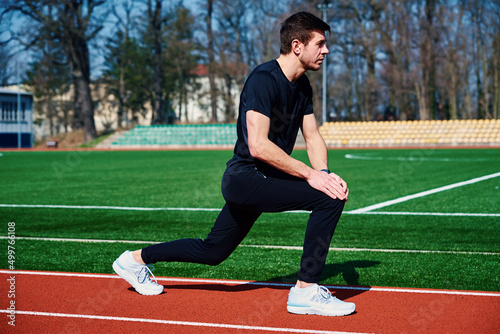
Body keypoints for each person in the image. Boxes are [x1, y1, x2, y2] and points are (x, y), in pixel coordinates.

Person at [113, 11, 355, 317]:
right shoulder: (263, 79)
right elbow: (258, 145)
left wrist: (323, 173)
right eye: (320, 43)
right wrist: (312, 177)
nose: (326, 50)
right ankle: (306, 290)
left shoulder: (303, 86)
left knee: (213, 251)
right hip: (247, 177)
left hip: (265, 178)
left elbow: (313, 136)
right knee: (327, 198)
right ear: (297, 45)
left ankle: (135, 260)